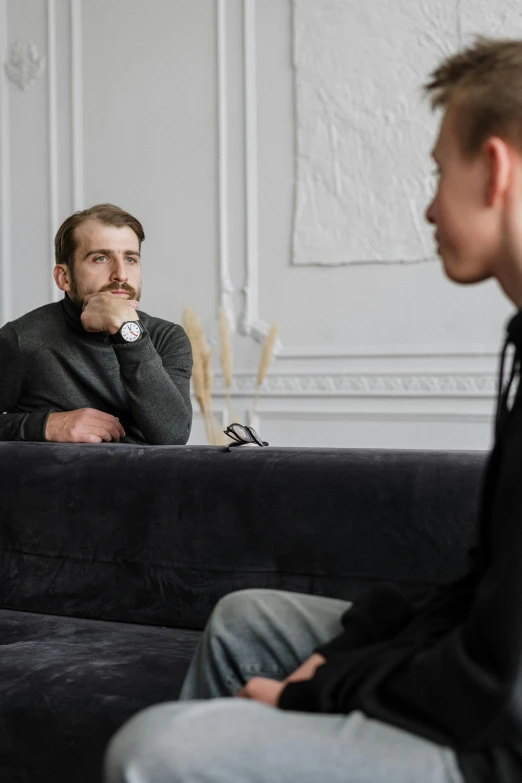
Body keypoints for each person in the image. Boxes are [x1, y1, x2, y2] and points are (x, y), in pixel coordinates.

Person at [105, 37, 522, 783]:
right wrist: (353, 651)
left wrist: (325, 687)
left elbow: (500, 676)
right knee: (243, 617)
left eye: (437, 171)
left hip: (498, 732)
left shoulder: (156, 334)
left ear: (493, 170)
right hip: (489, 665)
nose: (428, 203)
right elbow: (484, 588)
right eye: (100, 259)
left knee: (151, 749)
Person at [0, 203, 192, 445]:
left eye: (130, 258)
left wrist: (128, 332)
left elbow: (172, 436)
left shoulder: (167, 337)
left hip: (146, 483)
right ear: (64, 277)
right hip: (55, 482)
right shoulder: (21, 339)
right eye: (101, 258)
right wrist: (44, 425)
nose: (121, 274)